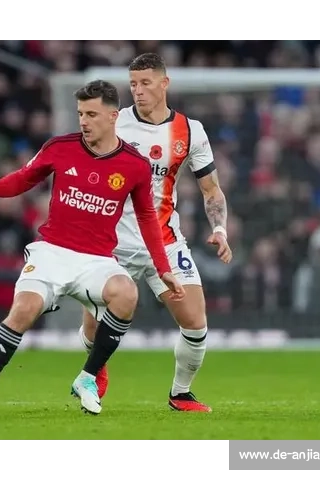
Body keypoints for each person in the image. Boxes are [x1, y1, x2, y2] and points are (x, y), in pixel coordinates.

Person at [0, 79, 185, 419]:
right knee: (23, 310)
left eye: (92, 114)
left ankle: (87, 377)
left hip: (96, 261)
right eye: (81, 114)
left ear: (113, 116)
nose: (84, 121)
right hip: (52, 252)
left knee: (127, 293)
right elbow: (24, 177)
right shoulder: (60, 147)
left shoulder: (134, 165)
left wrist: (163, 267)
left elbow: (147, 218)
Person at [78, 53, 232, 412]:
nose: (138, 90)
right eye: (133, 84)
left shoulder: (190, 131)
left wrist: (220, 229)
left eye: (145, 83)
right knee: (93, 326)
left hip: (164, 241)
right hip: (112, 244)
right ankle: (96, 368)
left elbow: (211, 189)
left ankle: (180, 393)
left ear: (164, 84)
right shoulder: (114, 123)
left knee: (195, 322)